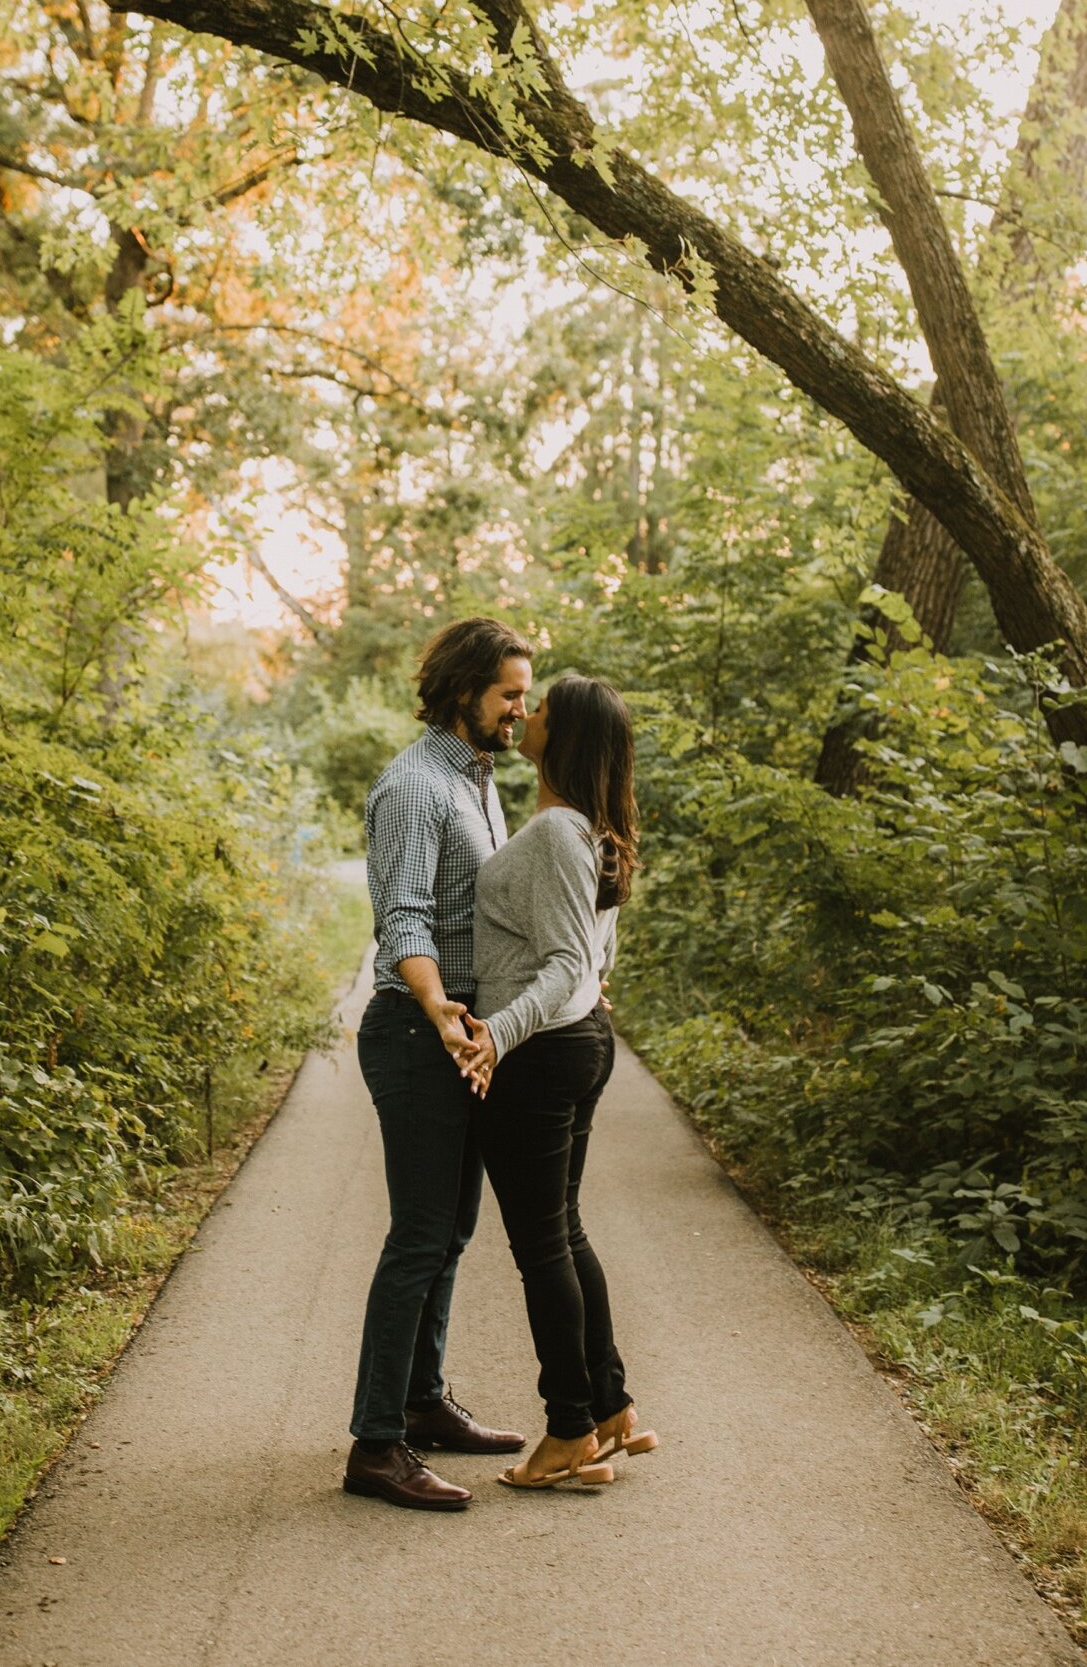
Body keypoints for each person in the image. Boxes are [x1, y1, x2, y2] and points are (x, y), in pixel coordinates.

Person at [343, 617, 533, 1512]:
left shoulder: (480, 780)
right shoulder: (415, 787)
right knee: (419, 1236)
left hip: (460, 1030)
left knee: (451, 1229)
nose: (520, 711)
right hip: (419, 1034)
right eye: (508, 695)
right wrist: (439, 1010)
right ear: (465, 691)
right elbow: (405, 920)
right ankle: (375, 1445)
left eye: (524, 695)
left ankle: (422, 1402)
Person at [458, 671, 657, 1491]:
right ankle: (610, 1407)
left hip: (539, 1055)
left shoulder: (554, 834)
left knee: (542, 1244)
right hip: (580, 1042)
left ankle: (568, 1429)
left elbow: (569, 961)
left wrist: (494, 1037)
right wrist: (582, 993)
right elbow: (595, 958)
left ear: (563, 736)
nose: (526, 714)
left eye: (540, 708)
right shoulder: (593, 831)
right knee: (563, 1231)